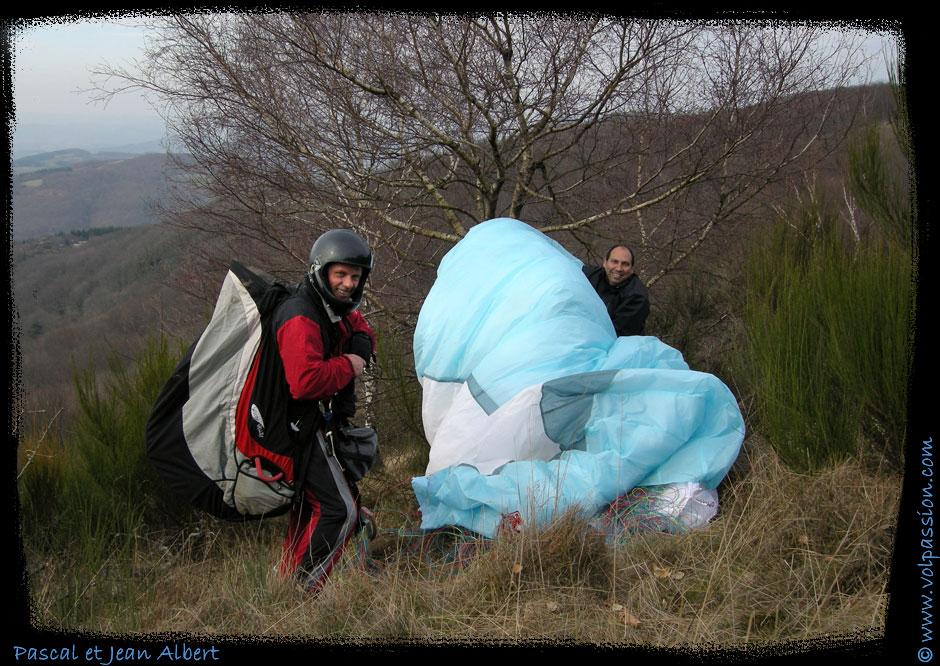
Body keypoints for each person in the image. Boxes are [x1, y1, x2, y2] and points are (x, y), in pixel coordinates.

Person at [275, 228, 376, 593]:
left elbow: (358, 325)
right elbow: (305, 382)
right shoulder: (301, 315)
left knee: (317, 508)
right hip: (293, 426)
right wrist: (350, 364)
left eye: (355, 276)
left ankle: (285, 587)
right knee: (340, 512)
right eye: (340, 275)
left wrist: (361, 344)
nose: (348, 284)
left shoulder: (330, 306)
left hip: (310, 422)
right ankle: (301, 594)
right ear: (321, 271)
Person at [582, 244, 650, 336]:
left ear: (632, 269)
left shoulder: (637, 297)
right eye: (614, 262)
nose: (619, 268)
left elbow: (616, 333)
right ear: (605, 262)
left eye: (625, 264)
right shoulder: (591, 275)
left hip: (618, 344)